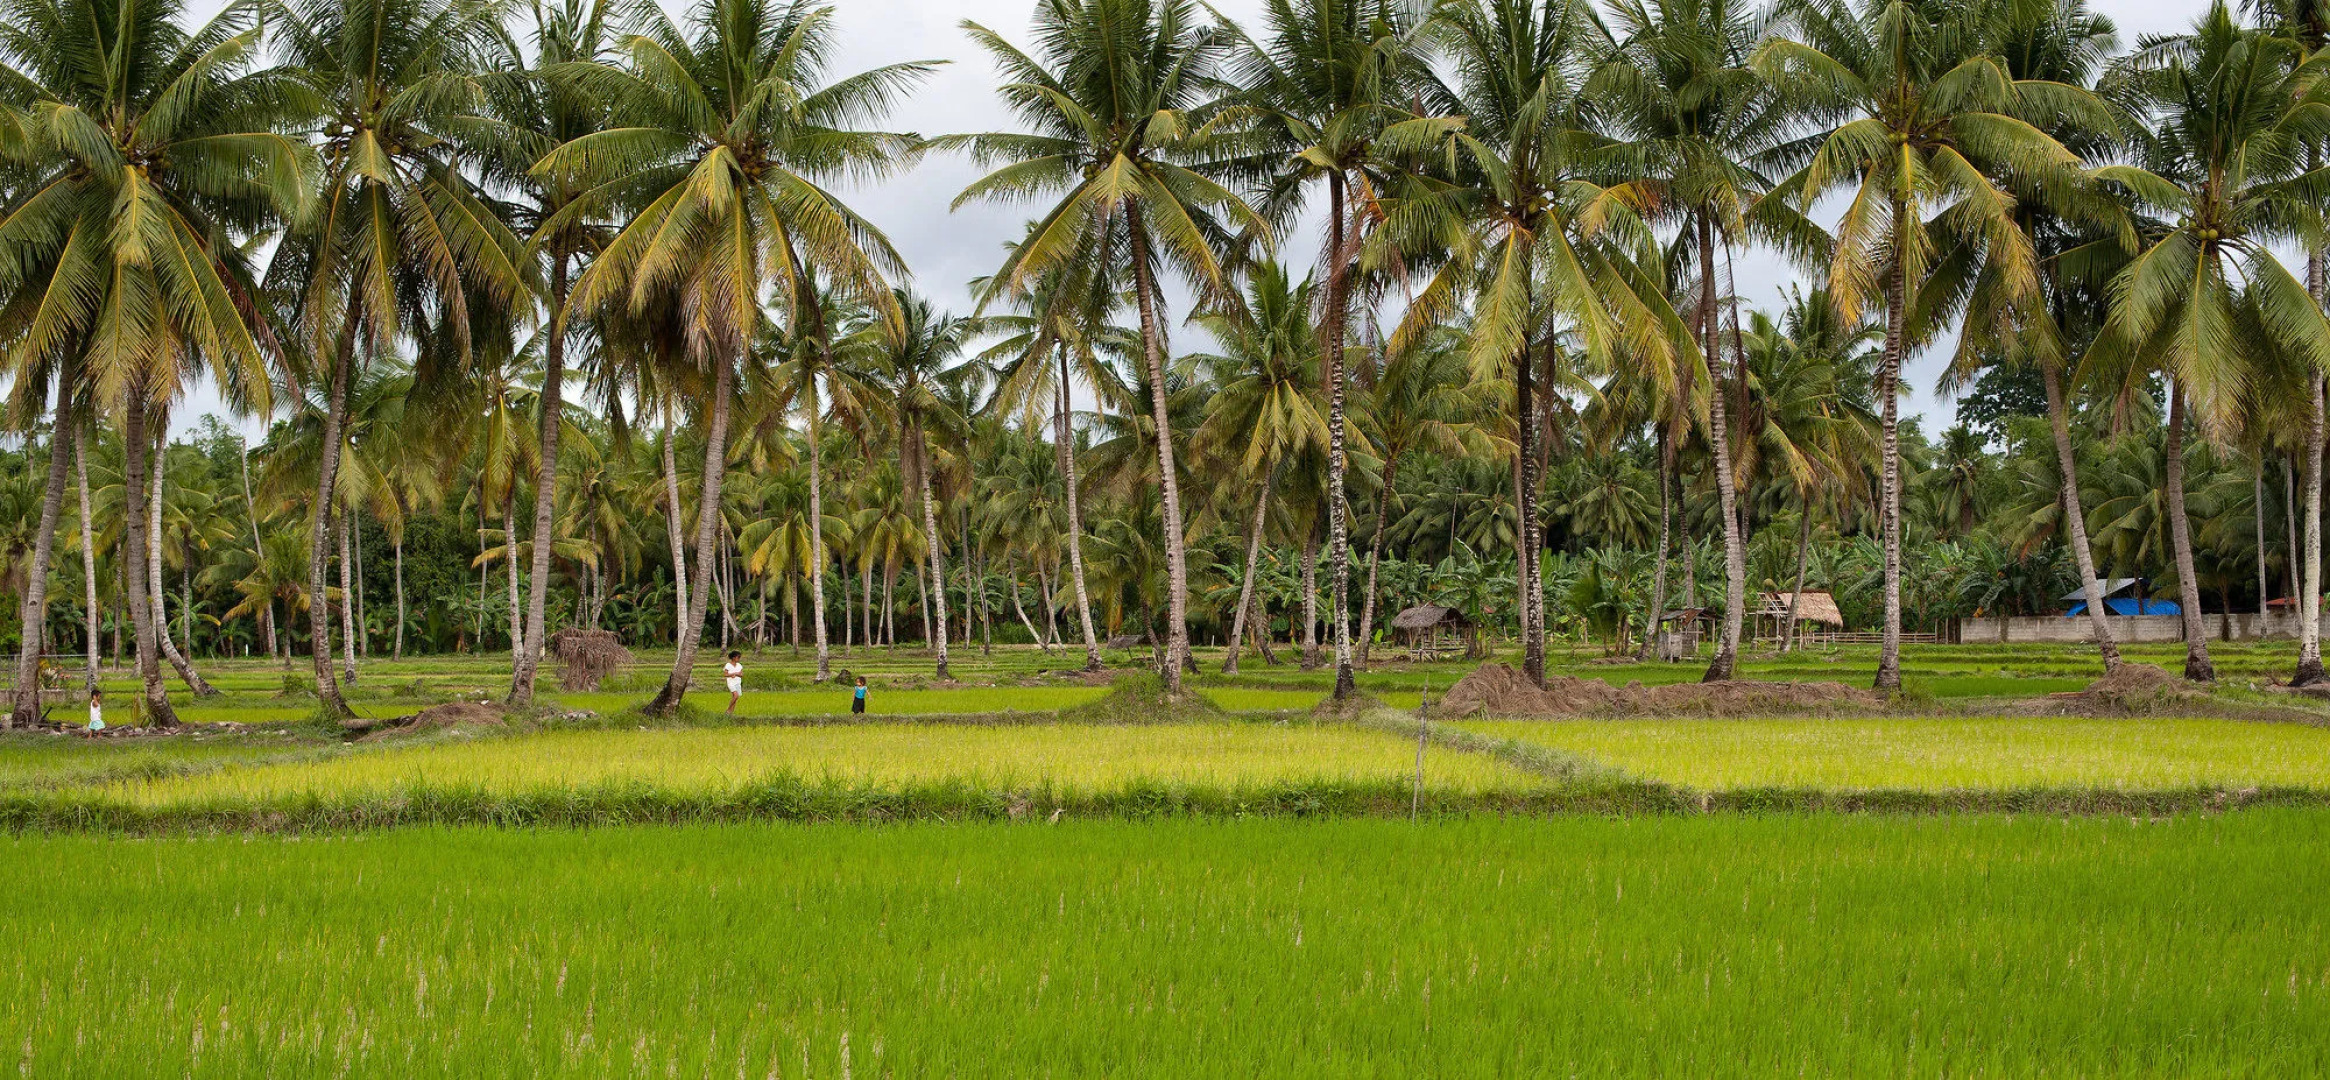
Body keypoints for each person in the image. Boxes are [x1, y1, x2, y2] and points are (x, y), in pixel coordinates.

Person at [723, 651, 744, 716]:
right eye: (738, 657)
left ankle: (730, 713)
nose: (739, 658)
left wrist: (736, 674)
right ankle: (728, 710)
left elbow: (742, 674)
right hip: (731, 683)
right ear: (733, 658)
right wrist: (733, 674)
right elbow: (725, 674)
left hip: (738, 683)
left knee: (735, 698)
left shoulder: (739, 665)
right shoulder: (728, 665)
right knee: (735, 696)